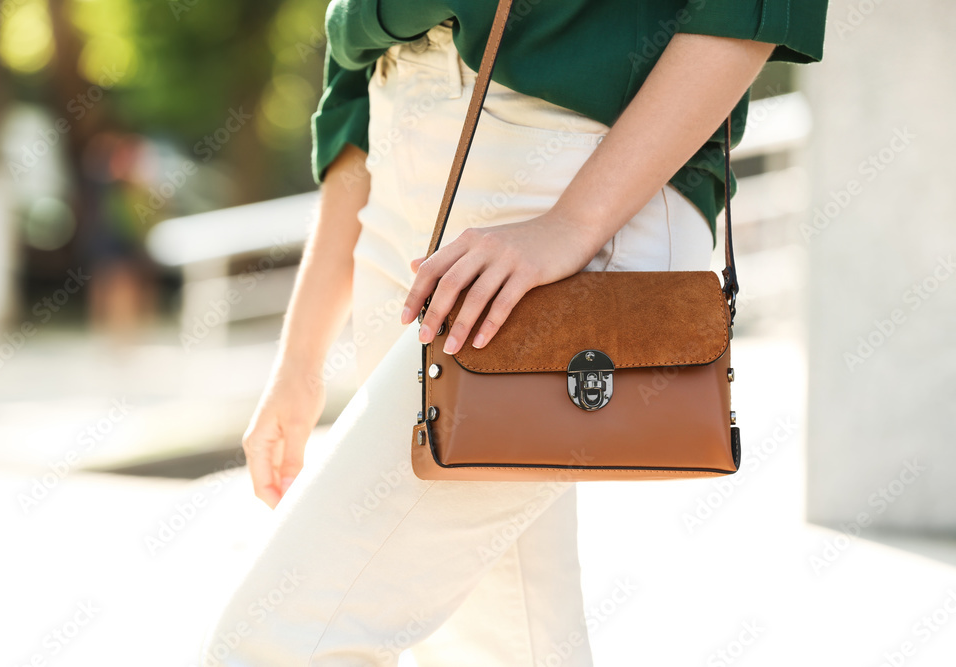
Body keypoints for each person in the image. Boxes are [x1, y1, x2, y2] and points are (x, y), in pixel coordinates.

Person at [199, 2, 827, 664]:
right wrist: (301, 357)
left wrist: (572, 223)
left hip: (575, 172)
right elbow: (352, 77)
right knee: (500, 643)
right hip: (401, 179)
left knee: (277, 640)